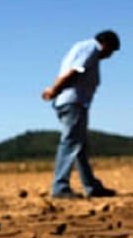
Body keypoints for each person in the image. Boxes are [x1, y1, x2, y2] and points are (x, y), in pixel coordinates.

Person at [41, 30, 120, 199]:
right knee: (70, 143)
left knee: (79, 146)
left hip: (71, 101)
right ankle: (60, 187)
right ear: (105, 44)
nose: (110, 55)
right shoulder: (91, 49)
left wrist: (55, 89)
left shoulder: (82, 48)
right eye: (111, 51)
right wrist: (54, 89)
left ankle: (91, 186)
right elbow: (74, 71)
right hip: (73, 102)